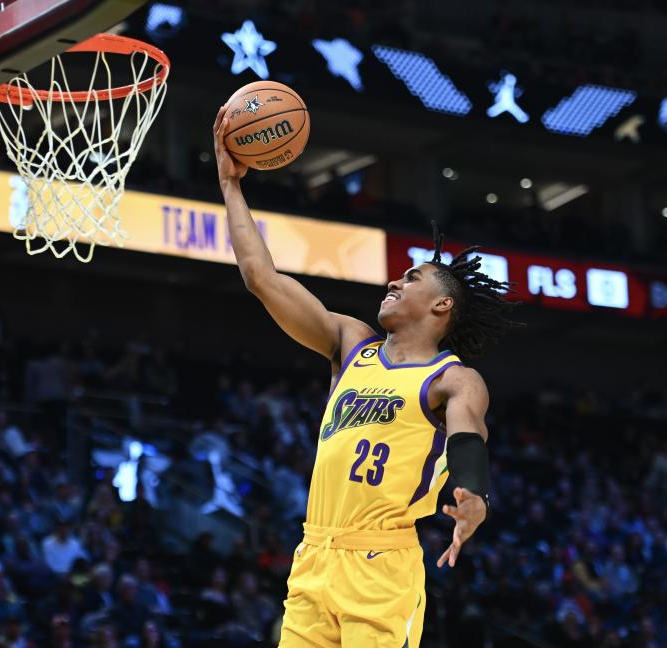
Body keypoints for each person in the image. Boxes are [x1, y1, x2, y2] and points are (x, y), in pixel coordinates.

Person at [214, 106, 519, 648]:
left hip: (381, 563)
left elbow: (469, 432)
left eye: (413, 277)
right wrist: (231, 186)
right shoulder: (351, 343)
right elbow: (261, 278)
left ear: (443, 304)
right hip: (314, 555)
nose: (396, 281)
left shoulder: (453, 379)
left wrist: (474, 494)